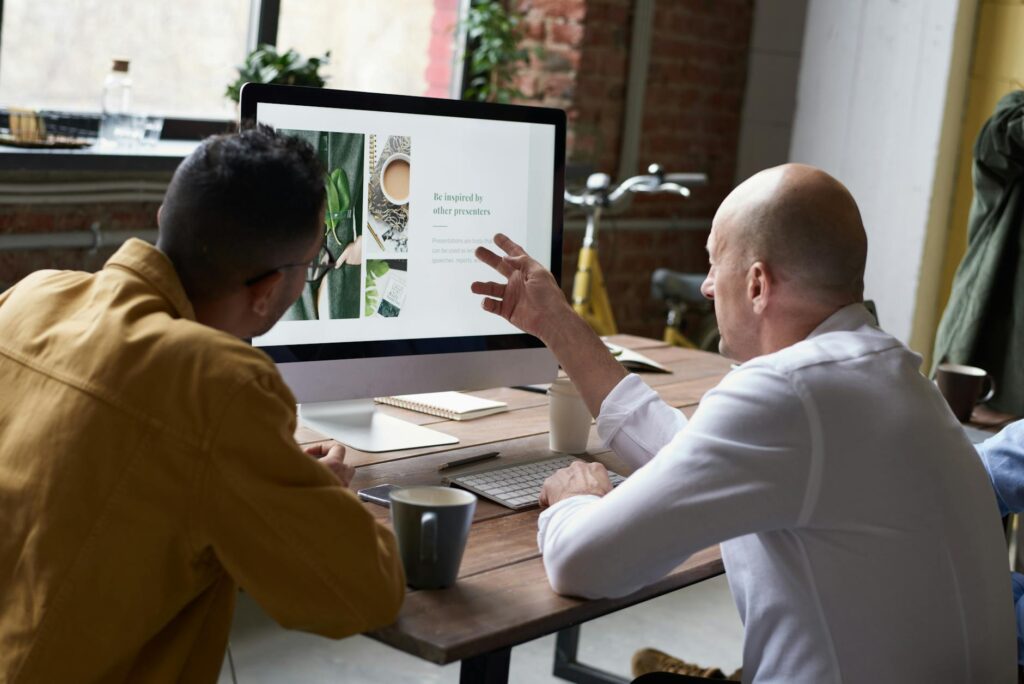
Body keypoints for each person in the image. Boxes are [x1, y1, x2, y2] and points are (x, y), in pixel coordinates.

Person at [471, 164, 1016, 682]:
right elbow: (689, 455)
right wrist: (556, 323)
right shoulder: (892, 377)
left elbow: (582, 564)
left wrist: (576, 499)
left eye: (714, 263)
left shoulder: (788, 391)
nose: (707, 286)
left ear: (756, 284)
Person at [0, 127, 405, 683]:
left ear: (167, 213)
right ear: (266, 291)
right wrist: (321, 503)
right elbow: (363, 594)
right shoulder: (219, 384)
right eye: (310, 267)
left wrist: (270, 481)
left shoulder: (32, 295)